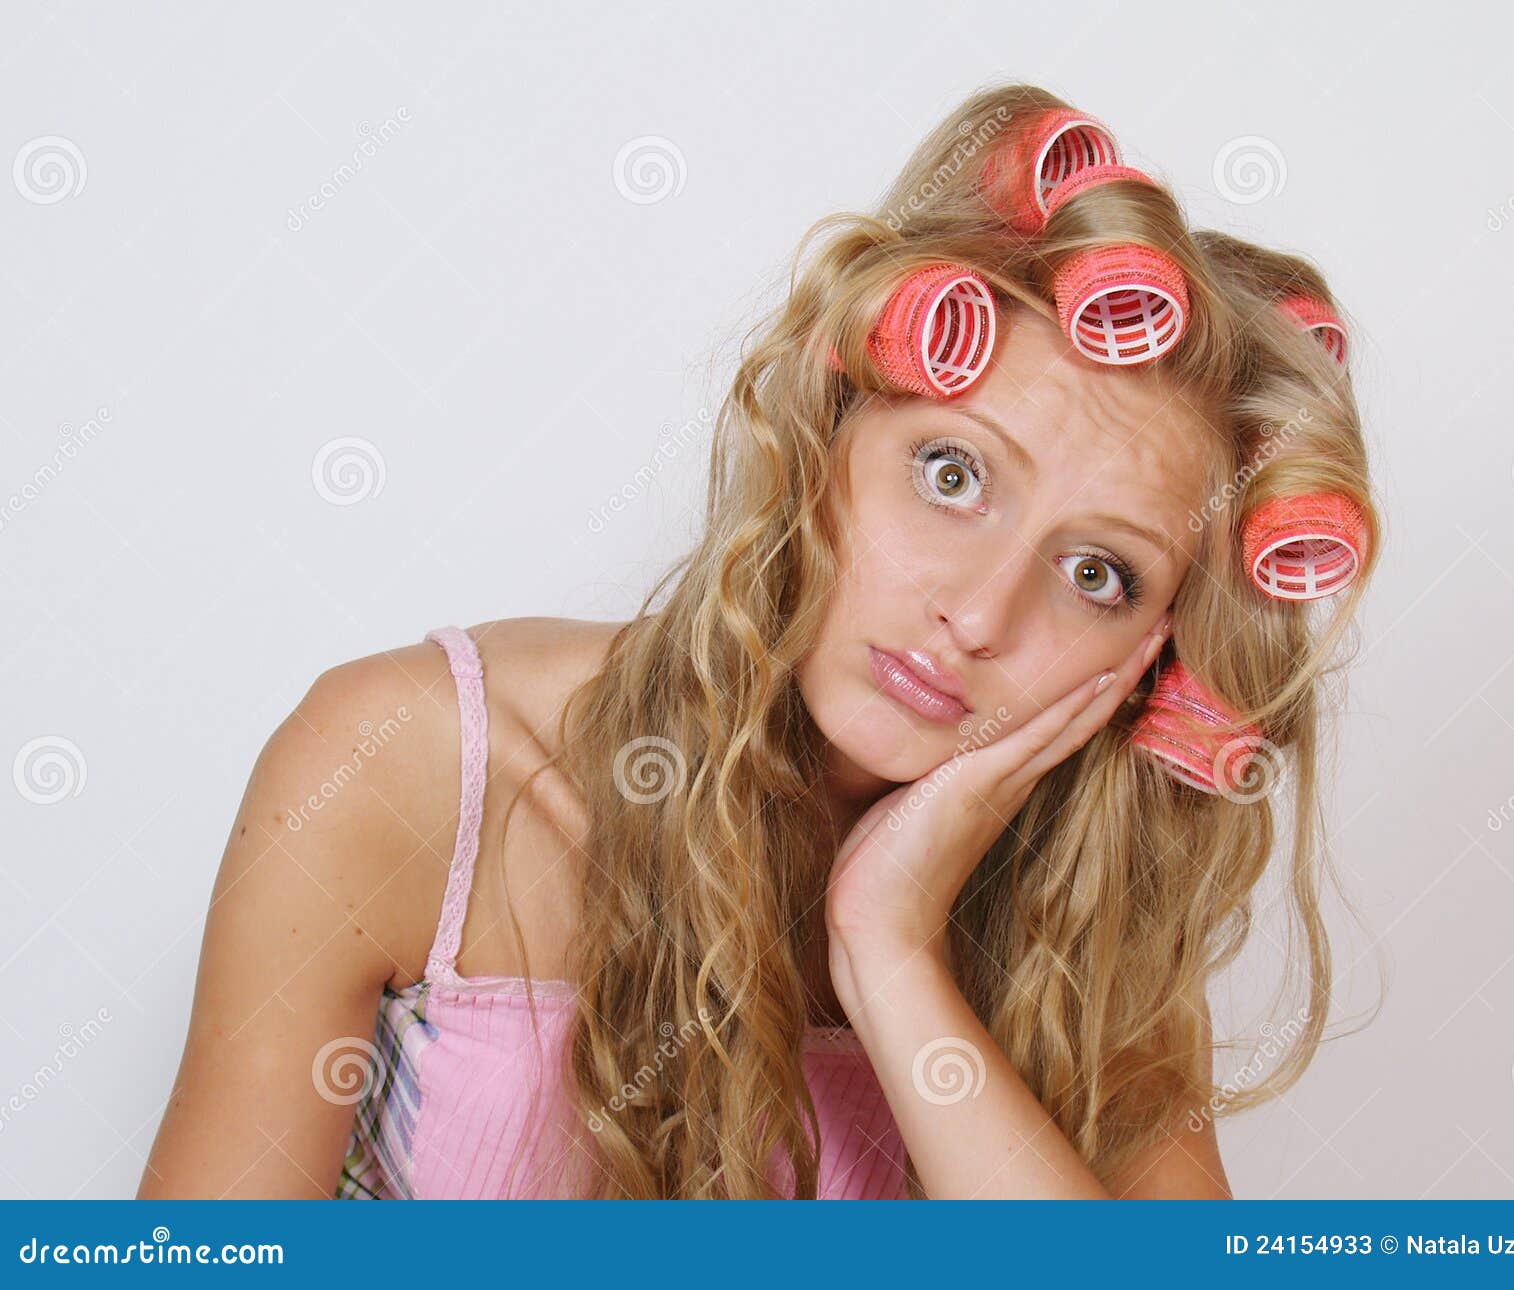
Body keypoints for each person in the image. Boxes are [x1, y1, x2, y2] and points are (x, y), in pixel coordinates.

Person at [138, 81, 1381, 1200]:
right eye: (951, 475)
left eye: (1097, 573)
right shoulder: (414, 762)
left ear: (1156, 662)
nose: (978, 615)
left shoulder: (1091, 929)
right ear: (826, 430)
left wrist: (891, 953)